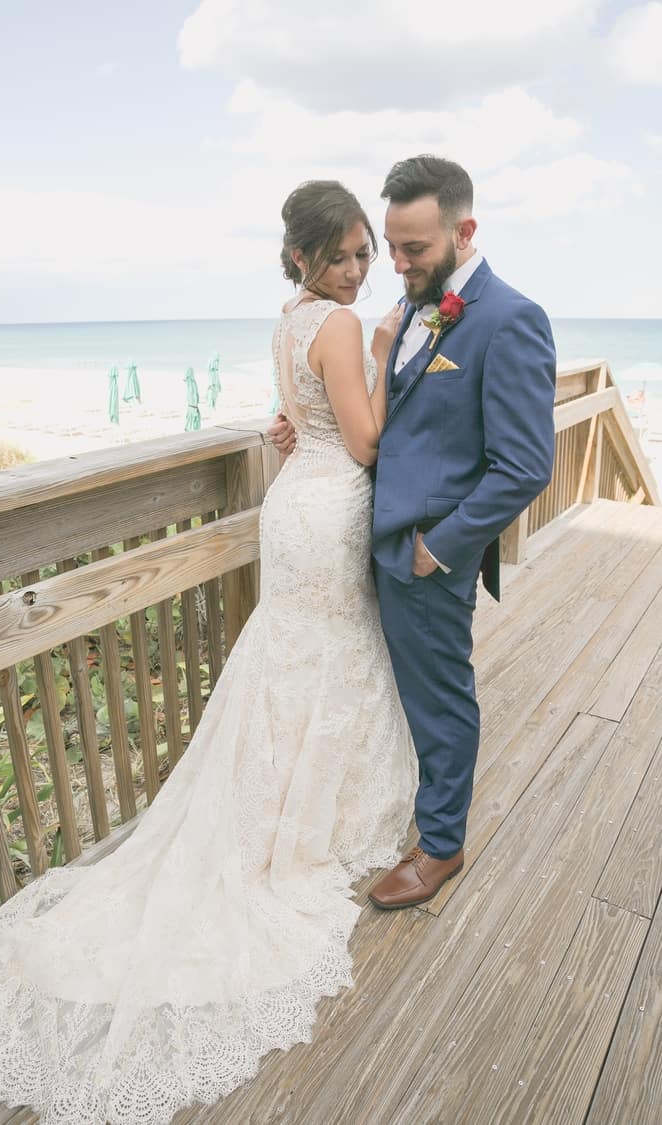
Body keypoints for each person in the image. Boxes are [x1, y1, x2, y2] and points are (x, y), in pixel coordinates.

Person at [0, 181, 416, 1124]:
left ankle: (275, 801)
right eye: (343, 257)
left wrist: (308, 422)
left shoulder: (287, 322)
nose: (360, 269)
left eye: (366, 252)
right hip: (329, 511)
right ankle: (302, 821)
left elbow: (300, 423)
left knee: (296, 656)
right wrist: (380, 351)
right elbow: (364, 443)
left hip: (291, 509)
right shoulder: (337, 328)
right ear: (302, 261)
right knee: (326, 654)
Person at [271, 155, 556, 909]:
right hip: (369, 534)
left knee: (440, 697)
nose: (394, 265)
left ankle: (440, 845)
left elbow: (525, 465)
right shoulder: (416, 304)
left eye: (413, 249)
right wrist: (308, 426)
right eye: (388, 248)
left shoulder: (509, 318)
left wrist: (441, 547)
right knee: (397, 691)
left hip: (427, 550)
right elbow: (389, 407)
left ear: (464, 231)